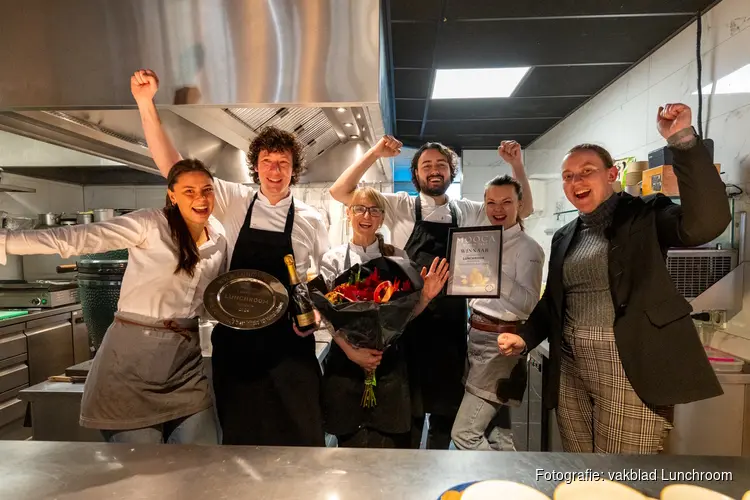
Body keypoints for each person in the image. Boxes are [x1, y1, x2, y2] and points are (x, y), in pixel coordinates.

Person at [497, 103, 730, 454]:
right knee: (584, 475)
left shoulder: (645, 217)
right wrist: (526, 337)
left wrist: (682, 142)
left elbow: (705, 224)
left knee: (621, 480)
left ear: (612, 174)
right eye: (568, 176)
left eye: (586, 171)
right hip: (572, 369)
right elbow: (556, 302)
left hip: (628, 369)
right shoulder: (565, 235)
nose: (576, 182)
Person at [131, 69, 331, 446]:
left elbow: (317, 281)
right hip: (238, 344)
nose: (275, 170)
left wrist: (317, 314)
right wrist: (146, 103)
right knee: (242, 438)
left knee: (302, 435)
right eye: (268, 161)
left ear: (294, 169)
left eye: (283, 162)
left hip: (290, 343)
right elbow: (173, 167)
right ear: (255, 166)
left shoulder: (312, 219)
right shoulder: (232, 199)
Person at [329, 136, 534, 449]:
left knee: (444, 421)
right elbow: (340, 191)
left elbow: (524, 209)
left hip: (450, 332)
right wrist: (375, 153)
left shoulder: (466, 210)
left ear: (452, 172)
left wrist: (517, 165)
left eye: (442, 164)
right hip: (405, 329)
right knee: (404, 420)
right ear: (416, 174)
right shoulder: (398, 206)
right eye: (426, 165)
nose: (435, 170)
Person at [0, 160, 225, 444]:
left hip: (185, 368)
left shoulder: (219, 236)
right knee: (141, 475)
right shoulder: (149, 224)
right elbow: (77, 239)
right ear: (172, 195)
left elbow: (217, 295)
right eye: (189, 191)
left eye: (207, 190)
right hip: (130, 363)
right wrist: (5, 242)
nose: (200, 199)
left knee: (203, 459)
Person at [318, 187, 450, 449]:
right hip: (346, 364)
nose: (366, 215)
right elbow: (328, 316)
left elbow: (405, 316)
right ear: (349, 213)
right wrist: (352, 352)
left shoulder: (398, 258)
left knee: (388, 442)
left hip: (388, 362)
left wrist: (425, 297)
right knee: (350, 443)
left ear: (381, 217)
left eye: (374, 210)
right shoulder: (332, 259)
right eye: (360, 208)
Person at [450, 175, 544, 451]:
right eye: (491, 202)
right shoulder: (481, 241)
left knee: (465, 434)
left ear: (519, 204)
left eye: (506, 202)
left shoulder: (529, 248)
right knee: (498, 434)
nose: (497, 209)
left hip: (502, 346)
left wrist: (491, 270)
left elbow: (529, 305)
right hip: (475, 337)